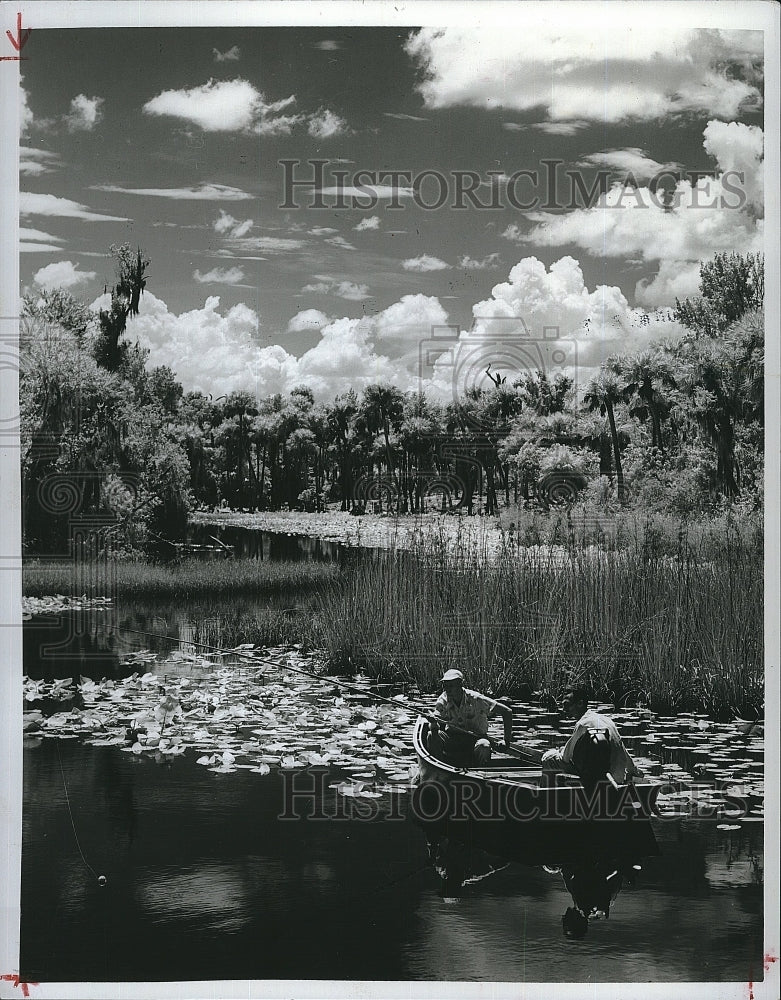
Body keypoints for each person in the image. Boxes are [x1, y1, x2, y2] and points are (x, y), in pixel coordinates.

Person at [541, 686, 641, 787]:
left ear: (580, 703)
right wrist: (633, 769)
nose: (564, 709)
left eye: (567, 704)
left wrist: (556, 752)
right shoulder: (607, 720)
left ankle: (546, 798)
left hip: (599, 779)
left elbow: (565, 758)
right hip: (617, 778)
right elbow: (622, 749)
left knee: (548, 759)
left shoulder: (583, 724)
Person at [428, 668, 514, 765]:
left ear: (460, 684)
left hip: (475, 740)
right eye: (445, 686)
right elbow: (437, 716)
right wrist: (433, 721)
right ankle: (438, 767)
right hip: (453, 739)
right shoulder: (443, 699)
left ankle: (480, 772)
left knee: (484, 745)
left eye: (451, 686)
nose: (447, 689)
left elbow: (507, 711)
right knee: (432, 735)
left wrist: (506, 741)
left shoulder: (476, 699)